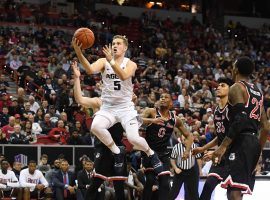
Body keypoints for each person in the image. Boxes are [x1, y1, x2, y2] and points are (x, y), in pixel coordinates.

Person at [72, 35, 163, 175]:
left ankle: (151, 153)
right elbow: (90, 69)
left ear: (125, 47)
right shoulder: (104, 61)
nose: (115, 46)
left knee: (133, 139)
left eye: (118, 43)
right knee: (95, 126)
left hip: (125, 107)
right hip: (108, 107)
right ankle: (117, 151)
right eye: (113, 43)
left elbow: (124, 76)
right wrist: (78, 51)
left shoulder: (131, 64)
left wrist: (112, 62)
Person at [212, 57, 270, 199]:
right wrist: (258, 150)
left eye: (233, 66)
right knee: (234, 188)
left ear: (236, 69)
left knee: (234, 193)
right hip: (253, 142)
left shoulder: (236, 87)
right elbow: (266, 127)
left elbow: (240, 119)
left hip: (241, 141)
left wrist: (222, 146)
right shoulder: (257, 91)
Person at [72, 61, 128, 200]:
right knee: (95, 183)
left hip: (118, 147)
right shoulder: (99, 102)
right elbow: (79, 99)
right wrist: (77, 78)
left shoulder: (123, 102)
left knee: (120, 186)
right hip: (103, 147)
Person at [141, 93, 194, 200]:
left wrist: (187, 151)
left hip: (163, 154)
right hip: (149, 152)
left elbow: (189, 136)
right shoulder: (151, 112)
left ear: (171, 103)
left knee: (165, 183)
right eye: (161, 97)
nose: (163, 98)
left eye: (166, 97)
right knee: (150, 180)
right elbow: (136, 120)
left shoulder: (175, 119)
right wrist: (152, 121)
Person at [193, 77, 234, 200]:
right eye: (218, 85)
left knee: (232, 194)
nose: (218, 87)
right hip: (220, 157)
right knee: (208, 187)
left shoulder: (232, 109)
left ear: (231, 89)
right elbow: (219, 137)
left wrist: (217, 152)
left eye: (223, 85)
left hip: (234, 156)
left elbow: (235, 136)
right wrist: (202, 149)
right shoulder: (216, 111)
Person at [169, 135, 202, 200]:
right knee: (174, 192)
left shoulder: (194, 146)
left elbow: (198, 158)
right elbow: (172, 159)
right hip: (180, 171)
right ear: (181, 139)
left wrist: (200, 170)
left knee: (194, 193)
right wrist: (175, 168)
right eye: (183, 139)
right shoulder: (177, 147)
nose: (185, 141)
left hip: (191, 171)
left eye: (186, 139)